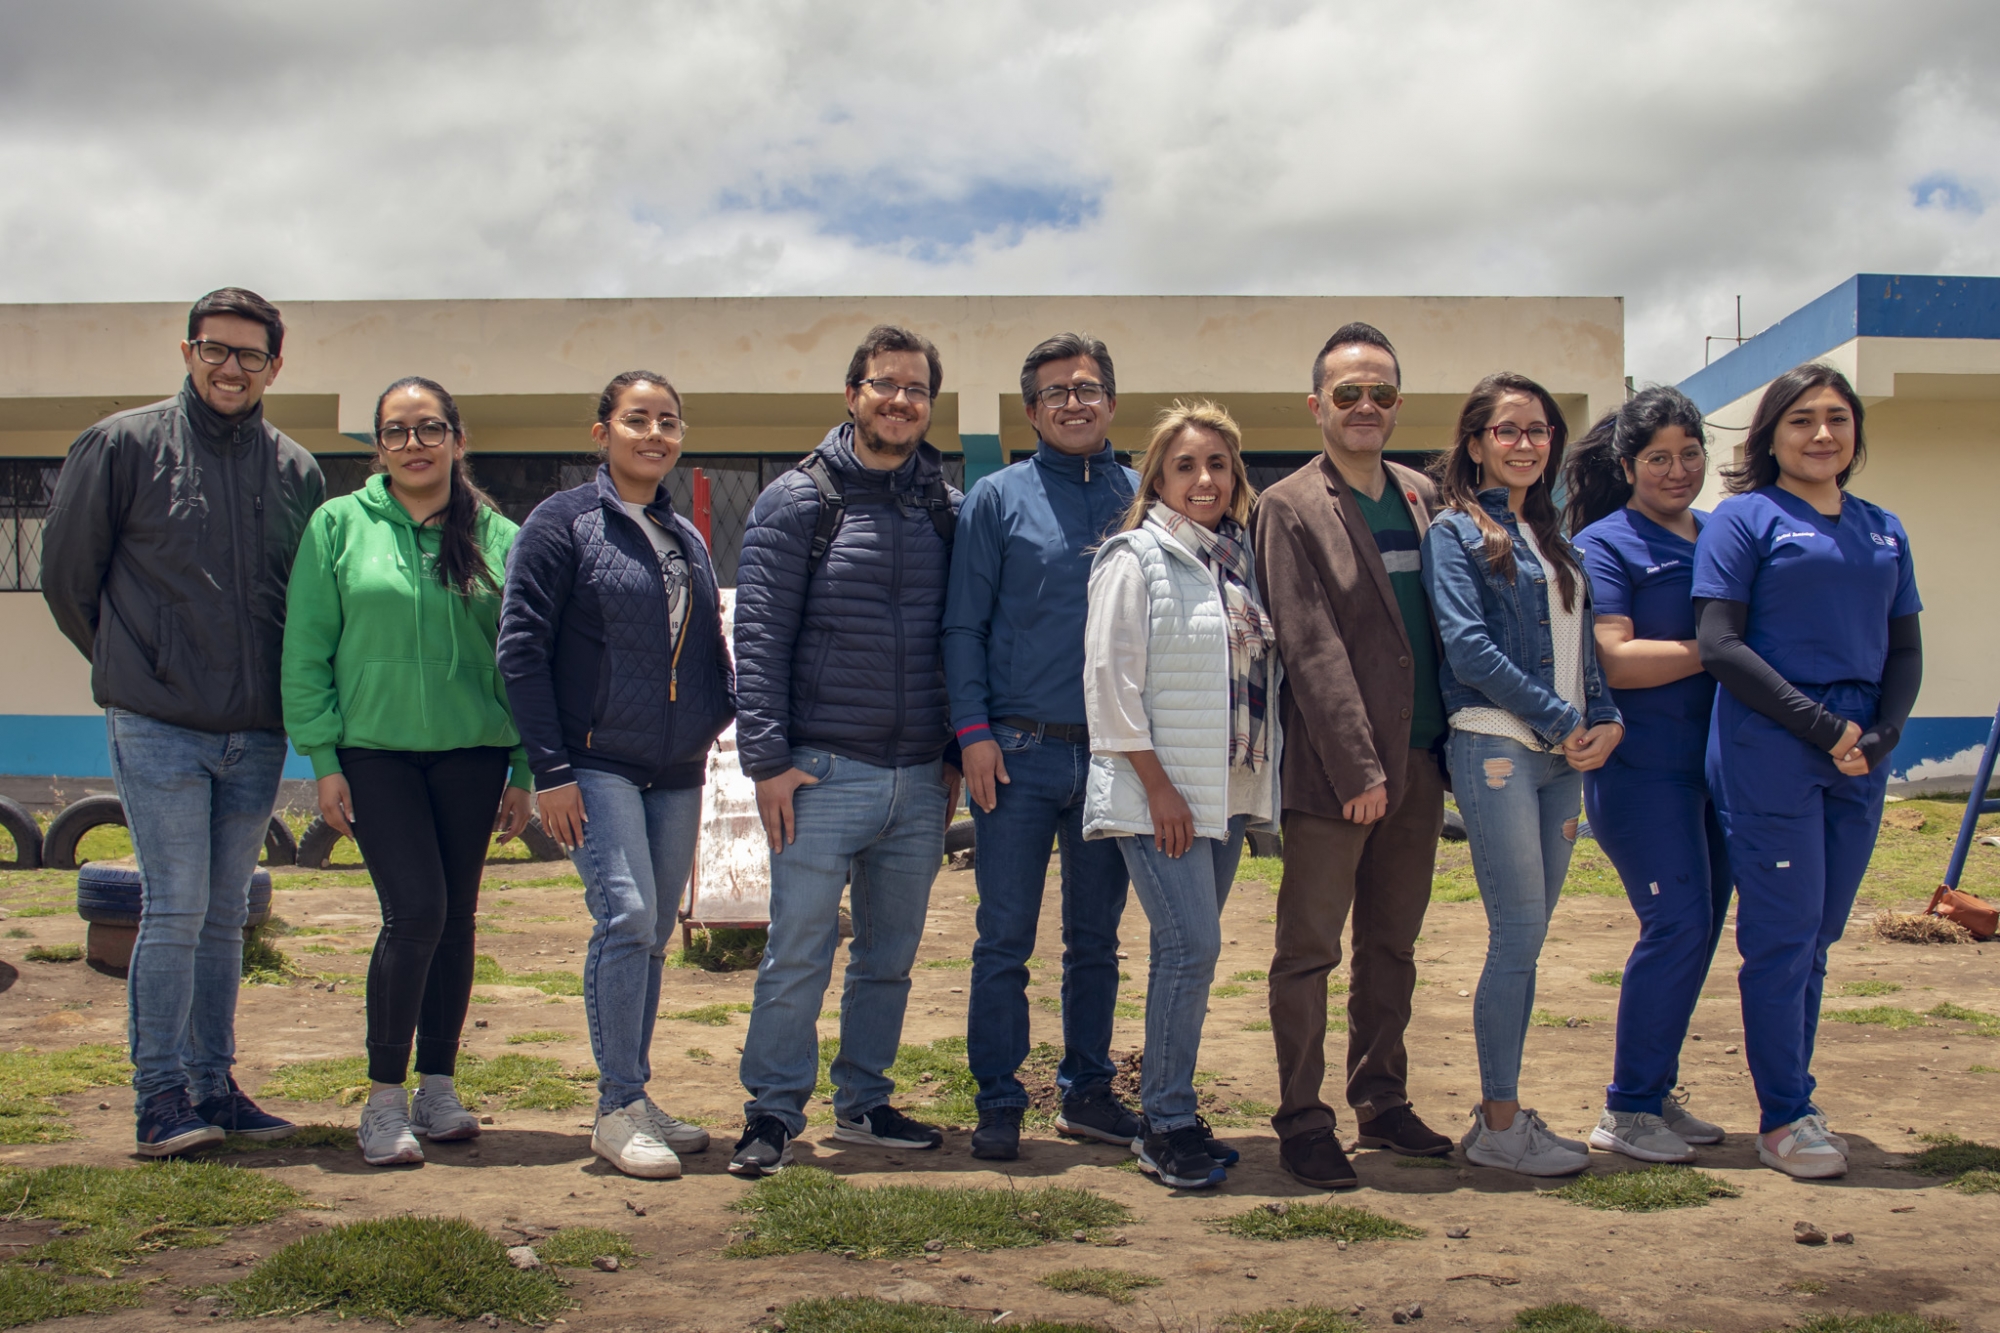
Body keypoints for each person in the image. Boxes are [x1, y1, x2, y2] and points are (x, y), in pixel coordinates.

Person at [42, 288, 321, 1156]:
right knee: (174, 907)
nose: (230, 367)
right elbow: (67, 578)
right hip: (158, 721)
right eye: (214, 349)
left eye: (249, 354)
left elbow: (304, 604)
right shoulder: (121, 445)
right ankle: (159, 1096)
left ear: (275, 365)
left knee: (225, 912)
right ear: (187, 351)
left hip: (257, 730)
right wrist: (139, 665)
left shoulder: (297, 471)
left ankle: (213, 1082)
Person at [728, 325, 964, 1177]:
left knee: (888, 959)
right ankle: (771, 1111)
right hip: (821, 773)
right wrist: (767, 760)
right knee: (798, 950)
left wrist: (951, 753)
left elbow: (960, 637)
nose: (900, 400)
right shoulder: (798, 500)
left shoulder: (946, 508)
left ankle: (864, 1101)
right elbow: (758, 636)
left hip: (919, 777)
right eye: (885, 384)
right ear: (853, 394)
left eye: (916, 389)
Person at [283, 377, 532, 1167]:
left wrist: (524, 765)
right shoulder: (337, 524)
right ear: (378, 445)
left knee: (456, 916)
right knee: (416, 909)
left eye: (429, 428)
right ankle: (384, 1098)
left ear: (458, 439)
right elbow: (306, 648)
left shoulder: (499, 536)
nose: (414, 444)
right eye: (396, 431)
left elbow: (524, 659)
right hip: (374, 753)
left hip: (473, 753)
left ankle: (439, 1086)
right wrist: (323, 758)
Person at [498, 371, 734, 1179]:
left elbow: (704, 645)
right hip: (594, 763)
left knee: (656, 933)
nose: (654, 433)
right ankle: (615, 1108)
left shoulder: (683, 535)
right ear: (602, 432)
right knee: (626, 917)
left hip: (676, 768)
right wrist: (551, 769)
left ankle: (637, 1095)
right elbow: (520, 650)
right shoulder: (561, 523)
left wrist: (715, 714)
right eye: (637, 419)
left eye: (669, 420)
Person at [1692, 363, 1921, 1180]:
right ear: (1771, 435)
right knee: (1783, 936)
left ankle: (1799, 1098)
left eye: (1837, 417)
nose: (1822, 433)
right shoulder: (1745, 519)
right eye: (1801, 419)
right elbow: (1720, 644)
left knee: (1818, 935)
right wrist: (1824, 729)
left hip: (1859, 754)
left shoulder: (1883, 528)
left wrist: (1882, 735)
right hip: (1772, 747)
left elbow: (1905, 648)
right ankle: (1783, 1118)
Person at [1250, 322, 1453, 1190]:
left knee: (1391, 946)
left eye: (1381, 393)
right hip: (1337, 774)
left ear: (1398, 405)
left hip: (1425, 760)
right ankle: (1302, 1118)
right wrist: (1359, 766)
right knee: (1309, 950)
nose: (1365, 406)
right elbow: (1309, 645)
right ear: (1317, 405)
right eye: (1348, 393)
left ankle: (1382, 1097)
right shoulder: (1288, 506)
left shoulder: (1424, 495)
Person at [1421, 372, 1624, 1177]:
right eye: (1506, 430)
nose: (1525, 443)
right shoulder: (1453, 533)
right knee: (1516, 935)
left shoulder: (1557, 537)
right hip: (1498, 744)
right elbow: (1469, 650)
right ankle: (1499, 1125)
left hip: (1562, 762)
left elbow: (1585, 652)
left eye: (1537, 430)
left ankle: (1506, 1116)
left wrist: (1606, 719)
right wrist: (1562, 718)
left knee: (1530, 938)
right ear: (1476, 444)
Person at [944, 332, 1140, 1162]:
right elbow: (963, 626)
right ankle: (998, 1097)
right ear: (1030, 410)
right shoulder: (996, 498)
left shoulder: (1143, 495)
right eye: (1055, 391)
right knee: (1004, 939)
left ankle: (1088, 1091)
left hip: (1114, 757)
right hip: (1017, 755)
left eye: (1087, 388)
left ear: (1111, 402)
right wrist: (973, 734)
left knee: (1096, 939)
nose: (1073, 402)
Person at [1082, 400, 1281, 1189]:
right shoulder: (1135, 557)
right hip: (1157, 794)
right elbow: (1109, 683)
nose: (1204, 479)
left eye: (1218, 464)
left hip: (1221, 790)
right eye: (1185, 465)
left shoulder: (1240, 560)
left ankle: (1173, 1108)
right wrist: (1159, 788)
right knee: (1191, 946)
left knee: (1189, 954)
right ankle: (1162, 1125)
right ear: (1158, 478)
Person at [1562, 387, 1732, 1164]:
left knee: (1701, 930)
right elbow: (1618, 659)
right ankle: (1626, 1109)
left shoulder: (1721, 532)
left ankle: (1656, 1090)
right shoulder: (1606, 543)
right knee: (1676, 923)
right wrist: (1721, 650)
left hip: (1722, 767)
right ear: (1627, 466)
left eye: (1689, 454)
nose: (1677, 470)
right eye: (1658, 457)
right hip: (1642, 770)